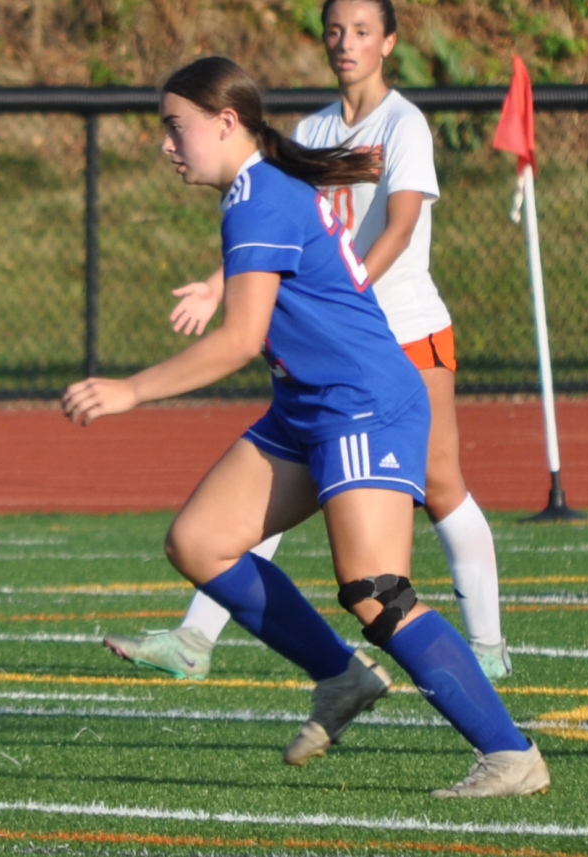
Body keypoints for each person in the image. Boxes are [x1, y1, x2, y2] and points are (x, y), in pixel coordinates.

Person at [65, 55, 549, 797]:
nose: (167, 144)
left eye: (176, 126)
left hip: (359, 401)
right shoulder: (257, 187)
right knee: (197, 541)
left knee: (377, 593)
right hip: (307, 404)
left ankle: (509, 754)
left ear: (225, 122)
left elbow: (238, 338)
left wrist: (131, 389)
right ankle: (340, 675)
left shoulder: (257, 195)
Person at [104, 0, 510, 684]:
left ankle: (489, 649)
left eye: (360, 31)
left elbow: (399, 227)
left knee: (439, 488)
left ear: (389, 42)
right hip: (337, 343)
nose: (344, 43)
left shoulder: (404, 124)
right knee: (271, 487)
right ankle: (196, 635)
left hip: (400, 331)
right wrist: (217, 283)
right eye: (334, 31)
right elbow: (283, 230)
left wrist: (348, 290)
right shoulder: (315, 127)